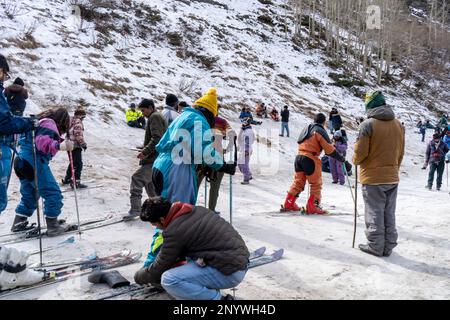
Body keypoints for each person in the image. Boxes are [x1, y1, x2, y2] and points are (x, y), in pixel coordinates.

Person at [134, 197, 249, 300]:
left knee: (169, 279)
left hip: (230, 272)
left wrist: (139, 277)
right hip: (239, 262)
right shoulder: (195, 210)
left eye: (155, 224)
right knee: (185, 261)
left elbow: (158, 268)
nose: (157, 227)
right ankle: (208, 293)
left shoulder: (174, 230)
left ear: (162, 219)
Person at [152, 87, 236, 205]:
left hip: (160, 165)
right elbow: (204, 151)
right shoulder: (199, 121)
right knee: (179, 214)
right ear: (209, 113)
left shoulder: (183, 116)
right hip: (176, 169)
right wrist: (223, 166)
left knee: (163, 213)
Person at [353, 91, 405, 257]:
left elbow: (360, 154)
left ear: (369, 106)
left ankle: (375, 245)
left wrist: (354, 160)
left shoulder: (367, 125)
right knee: (389, 212)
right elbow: (401, 152)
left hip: (372, 177)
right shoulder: (398, 124)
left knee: (374, 211)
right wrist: (394, 168)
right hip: (392, 175)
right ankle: (388, 245)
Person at [12, 108, 74, 236]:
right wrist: (59, 146)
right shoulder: (50, 124)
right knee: (53, 193)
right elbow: (42, 142)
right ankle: (53, 225)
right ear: (63, 120)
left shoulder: (40, 122)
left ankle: (18, 223)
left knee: (31, 194)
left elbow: (41, 137)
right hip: (34, 161)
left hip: (21, 160)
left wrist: (62, 142)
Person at [283, 113, 345, 214]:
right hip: (310, 158)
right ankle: (314, 205)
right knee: (316, 184)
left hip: (299, 157)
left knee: (298, 182)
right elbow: (329, 149)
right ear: (324, 122)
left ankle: (288, 203)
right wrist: (340, 158)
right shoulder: (320, 130)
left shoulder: (307, 128)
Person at [0, 54, 36, 218]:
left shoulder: (6, 91)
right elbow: (4, 123)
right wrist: (29, 123)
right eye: (4, 74)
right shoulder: (20, 92)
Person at [126, 99, 167, 220]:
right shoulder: (156, 116)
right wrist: (144, 147)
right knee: (151, 186)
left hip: (153, 159)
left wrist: (145, 151)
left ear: (150, 107)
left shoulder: (154, 117)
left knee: (137, 179)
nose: (142, 113)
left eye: (143, 110)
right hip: (156, 158)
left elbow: (157, 138)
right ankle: (159, 210)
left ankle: (135, 210)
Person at [197, 116, 236, 213]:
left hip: (202, 155)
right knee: (215, 186)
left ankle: (189, 205)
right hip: (217, 156)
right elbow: (232, 134)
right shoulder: (222, 121)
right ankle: (211, 209)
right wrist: (227, 149)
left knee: (195, 183)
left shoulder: (202, 119)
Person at [62, 108, 88, 189]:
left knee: (72, 162)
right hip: (75, 145)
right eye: (83, 117)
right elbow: (78, 134)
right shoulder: (78, 122)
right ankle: (76, 182)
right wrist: (83, 144)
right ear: (80, 116)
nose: (83, 119)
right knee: (78, 164)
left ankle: (67, 179)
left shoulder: (70, 120)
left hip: (68, 144)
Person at [238, 118, 255, 185]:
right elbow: (240, 139)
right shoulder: (244, 130)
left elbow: (248, 141)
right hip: (243, 149)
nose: (241, 124)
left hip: (246, 150)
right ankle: (249, 175)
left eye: (243, 123)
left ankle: (246, 179)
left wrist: (246, 150)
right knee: (240, 164)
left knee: (244, 165)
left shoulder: (248, 131)